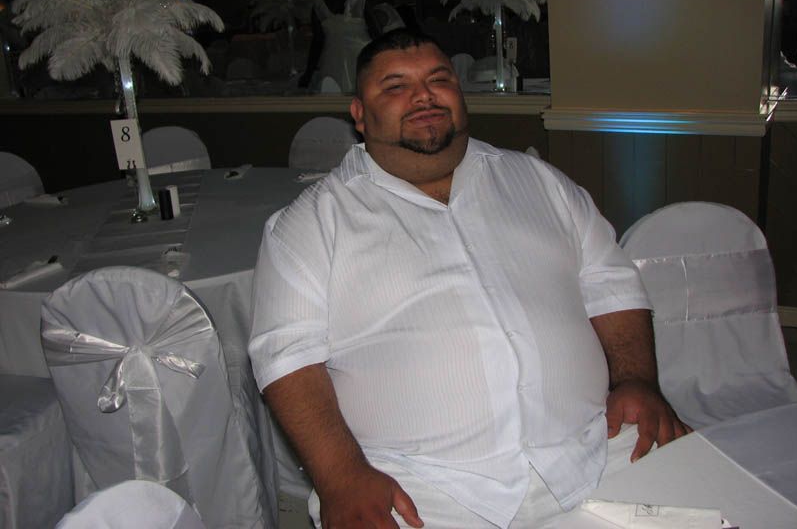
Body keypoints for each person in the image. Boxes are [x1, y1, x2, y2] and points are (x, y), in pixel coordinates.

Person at [249, 28, 690, 529]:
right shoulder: (309, 223)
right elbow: (286, 357)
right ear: (358, 115)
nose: (423, 95)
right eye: (394, 87)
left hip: (593, 448)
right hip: (416, 488)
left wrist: (635, 379)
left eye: (439, 79)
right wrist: (340, 475)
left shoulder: (541, 182)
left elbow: (611, 285)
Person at [298, 0, 379, 93]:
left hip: (349, 60)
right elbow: (377, 35)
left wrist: (309, 72)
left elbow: (317, 43)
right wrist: (308, 73)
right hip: (347, 61)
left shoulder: (357, 1)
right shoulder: (359, 2)